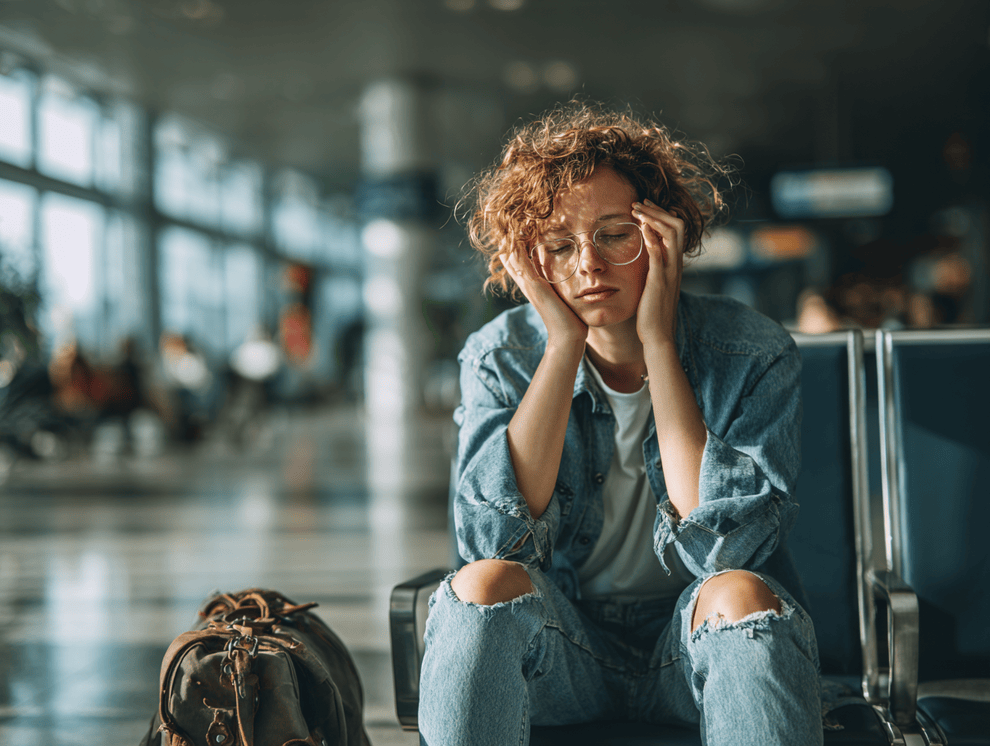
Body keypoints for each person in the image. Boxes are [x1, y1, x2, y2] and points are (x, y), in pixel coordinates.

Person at [418, 102, 823, 746]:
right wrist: (560, 348)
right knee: (482, 583)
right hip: (561, 652)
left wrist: (658, 346)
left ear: (665, 233)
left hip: (696, 648)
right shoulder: (501, 354)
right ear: (531, 261)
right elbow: (492, 541)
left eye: (614, 233)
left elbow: (728, 550)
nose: (587, 264)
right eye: (558, 244)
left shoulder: (749, 350)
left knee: (742, 592)